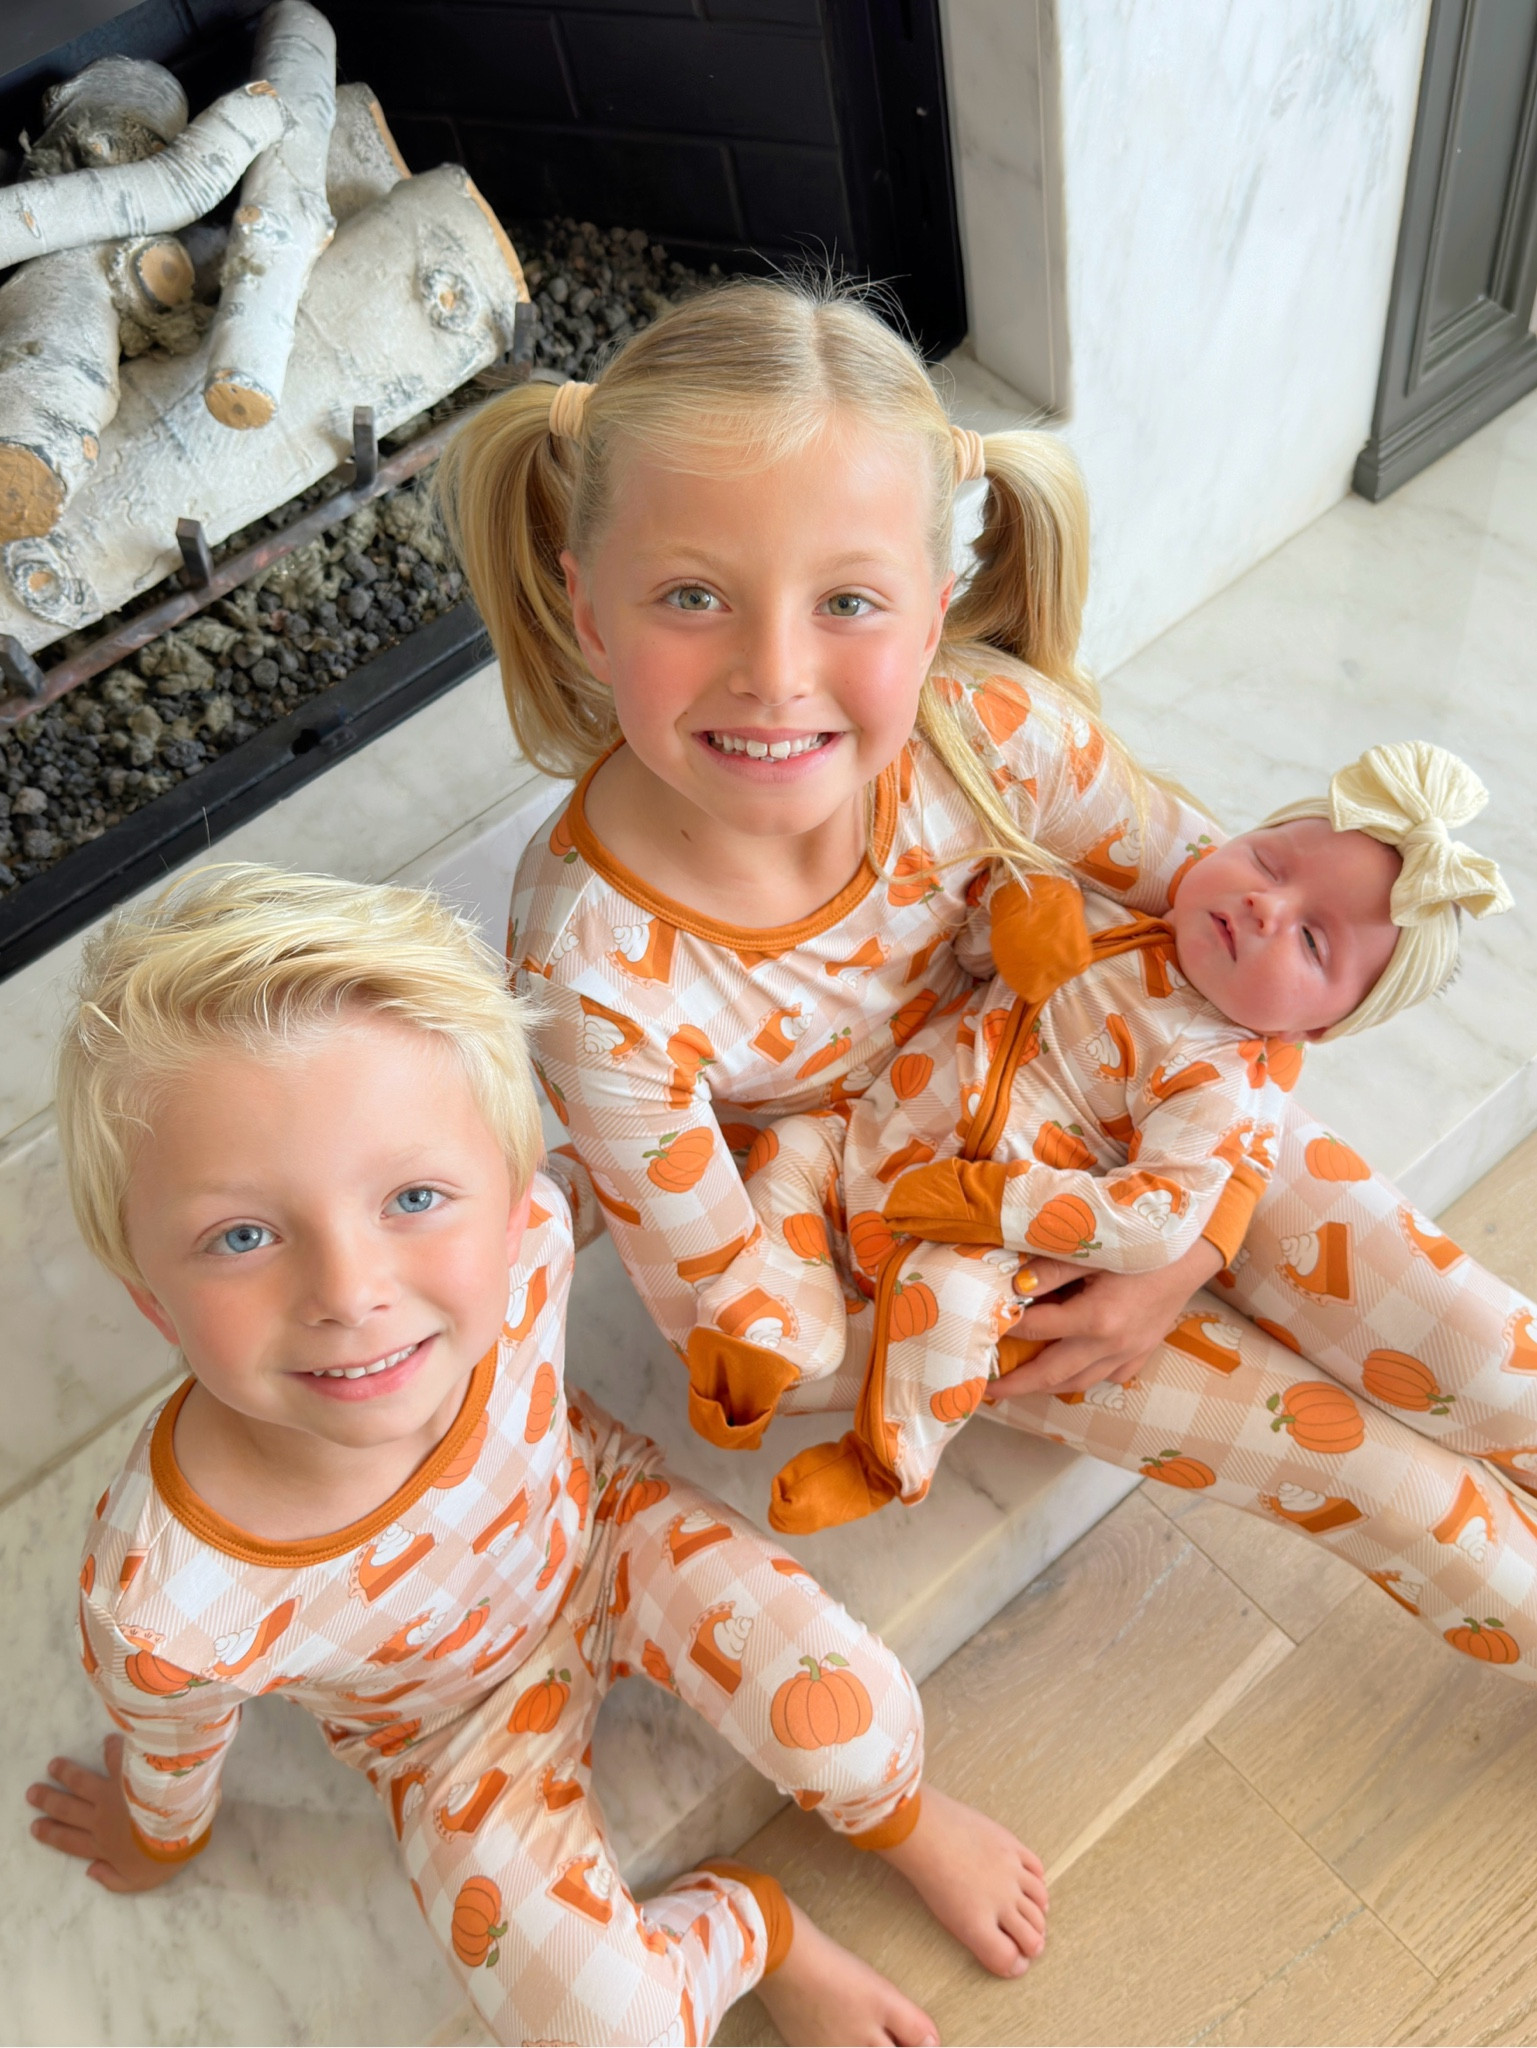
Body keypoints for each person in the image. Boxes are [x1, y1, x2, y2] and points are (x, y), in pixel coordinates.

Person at [437, 274, 1537, 1677]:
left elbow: (1280, 968)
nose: (775, 675)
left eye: (846, 600)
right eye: (693, 596)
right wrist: (1004, 1267)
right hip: (930, 1246)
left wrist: (1193, 1244)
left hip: (1152, 1103)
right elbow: (745, 1315)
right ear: (586, 611)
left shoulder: (997, 736)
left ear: (935, 607)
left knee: (1496, 1357)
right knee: (1398, 1492)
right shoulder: (588, 970)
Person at [23, 864, 1049, 2048]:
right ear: (152, 1301)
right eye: (242, 1234)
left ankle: (904, 1817)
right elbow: (172, 1739)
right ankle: (759, 1924)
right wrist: (157, 1838)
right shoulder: (166, 1600)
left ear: (513, 1204)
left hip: (610, 1529)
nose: (351, 1293)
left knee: (858, 1719)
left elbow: (662, 1157)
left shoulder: (532, 1242)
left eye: (413, 1194)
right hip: (439, 1728)